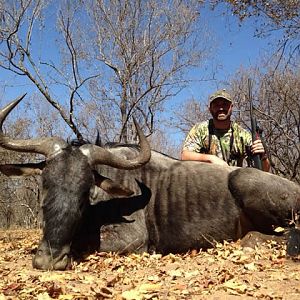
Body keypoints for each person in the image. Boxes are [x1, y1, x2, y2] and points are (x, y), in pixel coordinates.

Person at [181, 89, 270, 172]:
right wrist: (211, 159)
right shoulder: (200, 129)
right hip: (205, 181)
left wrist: (263, 156)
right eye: (216, 105)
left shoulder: (242, 134)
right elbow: (185, 156)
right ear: (210, 109)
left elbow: (264, 171)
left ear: (231, 107)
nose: (221, 108)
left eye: (224, 104)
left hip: (234, 182)